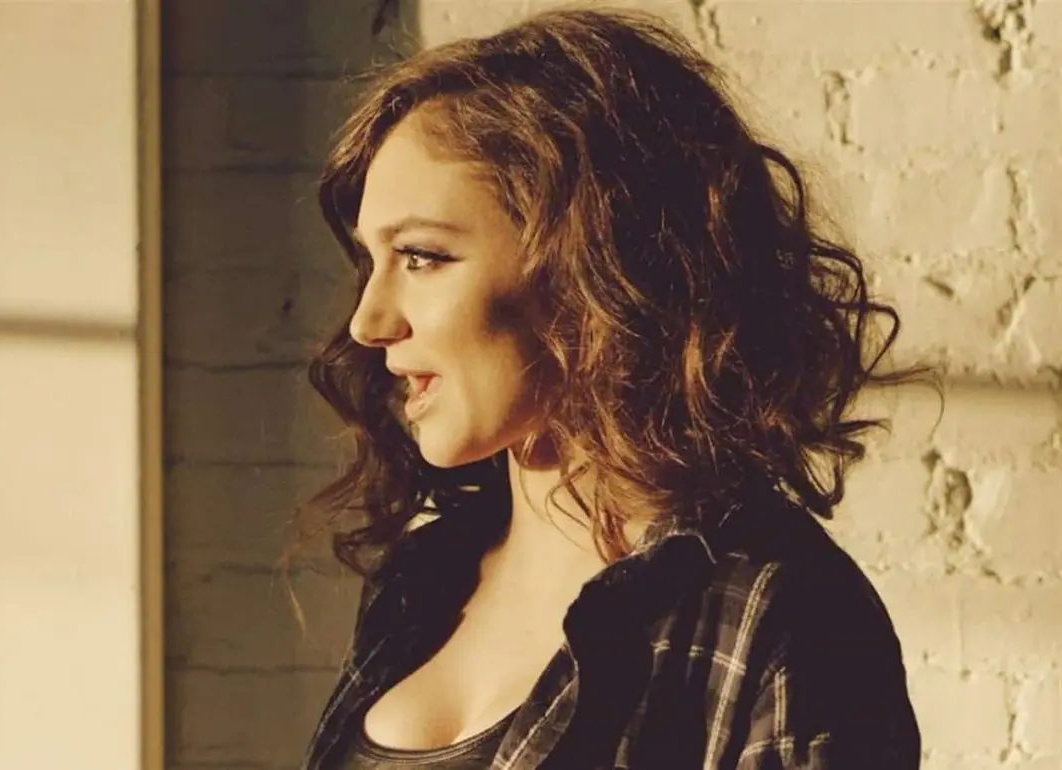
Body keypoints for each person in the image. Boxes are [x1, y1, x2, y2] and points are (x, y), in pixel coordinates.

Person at [283, 6, 933, 768]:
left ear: (594, 266)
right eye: (371, 262)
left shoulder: (781, 617)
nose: (368, 322)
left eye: (422, 257)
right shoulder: (419, 583)